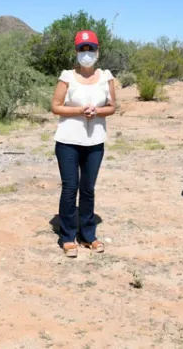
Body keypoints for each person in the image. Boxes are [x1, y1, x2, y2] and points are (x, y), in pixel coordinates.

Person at [51, 30, 117, 258]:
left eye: (90, 49)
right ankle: (68, 236)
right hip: (68, 140)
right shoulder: (67, 76)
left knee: (88, 189)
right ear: (76, 51)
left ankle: (88, 234)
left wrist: (98, 111)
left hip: (95, 141)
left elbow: (112, 107)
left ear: (97, 51)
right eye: (82, 49)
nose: (86, 53)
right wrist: (79, 110)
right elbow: (56, 106)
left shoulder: (106, 77)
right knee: (70, 188)